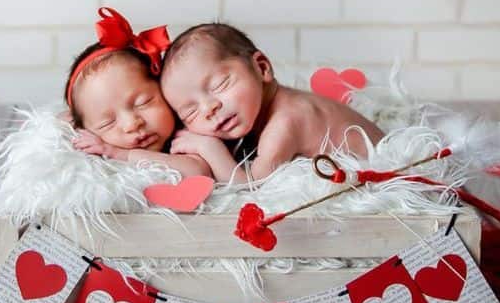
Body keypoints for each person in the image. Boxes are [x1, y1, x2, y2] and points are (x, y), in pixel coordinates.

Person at [160, 22, 384, 184]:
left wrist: (208, 148)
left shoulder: (287, 120)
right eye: (190, 113)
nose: (209, 109)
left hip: (383, 173)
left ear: (262, 67)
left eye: (220, 85)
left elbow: (250, 186)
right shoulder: (261, 112)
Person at [64, 7, 214, 178]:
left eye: (143, 103)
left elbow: (197, 171)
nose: (132, 124)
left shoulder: (187, 133)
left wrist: (119, 153)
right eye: (108, 123)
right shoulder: (94, 167)